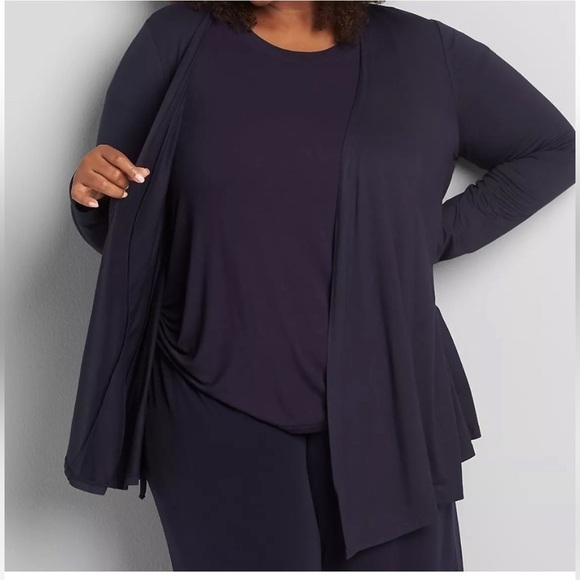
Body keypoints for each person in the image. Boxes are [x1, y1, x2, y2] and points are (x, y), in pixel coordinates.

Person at [65, 0, 575, 572]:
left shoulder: (422, 52)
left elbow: (553, 148)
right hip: (211, 405)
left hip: (388, 408)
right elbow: (126, 223)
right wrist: (90, 189)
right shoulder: (176, 40)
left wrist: (424, 236)